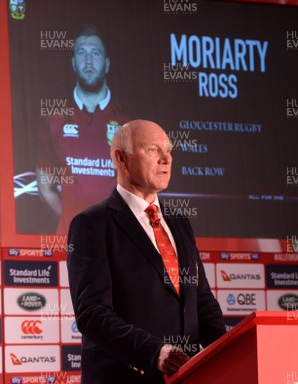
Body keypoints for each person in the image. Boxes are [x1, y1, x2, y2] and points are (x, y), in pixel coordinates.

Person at [67, 120, 226, 384]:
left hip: (184, 378)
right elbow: (92, 313)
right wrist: (154, 352)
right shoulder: (92, 224)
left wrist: (225, 350)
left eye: (169, 151)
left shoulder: (179, 223)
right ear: (121, 158)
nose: (166, 159)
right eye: (153, 150)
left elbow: (201, 302)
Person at [36, 24, 129, 234]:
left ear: (106, 64)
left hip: (115, 245)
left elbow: (139, 191)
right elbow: (45, 187)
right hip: (71, 247)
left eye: (95, 53)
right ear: (73, 64)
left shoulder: (128, 124)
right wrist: (72, 222)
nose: (88, 60)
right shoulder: (54, 120)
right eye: (81, 53)